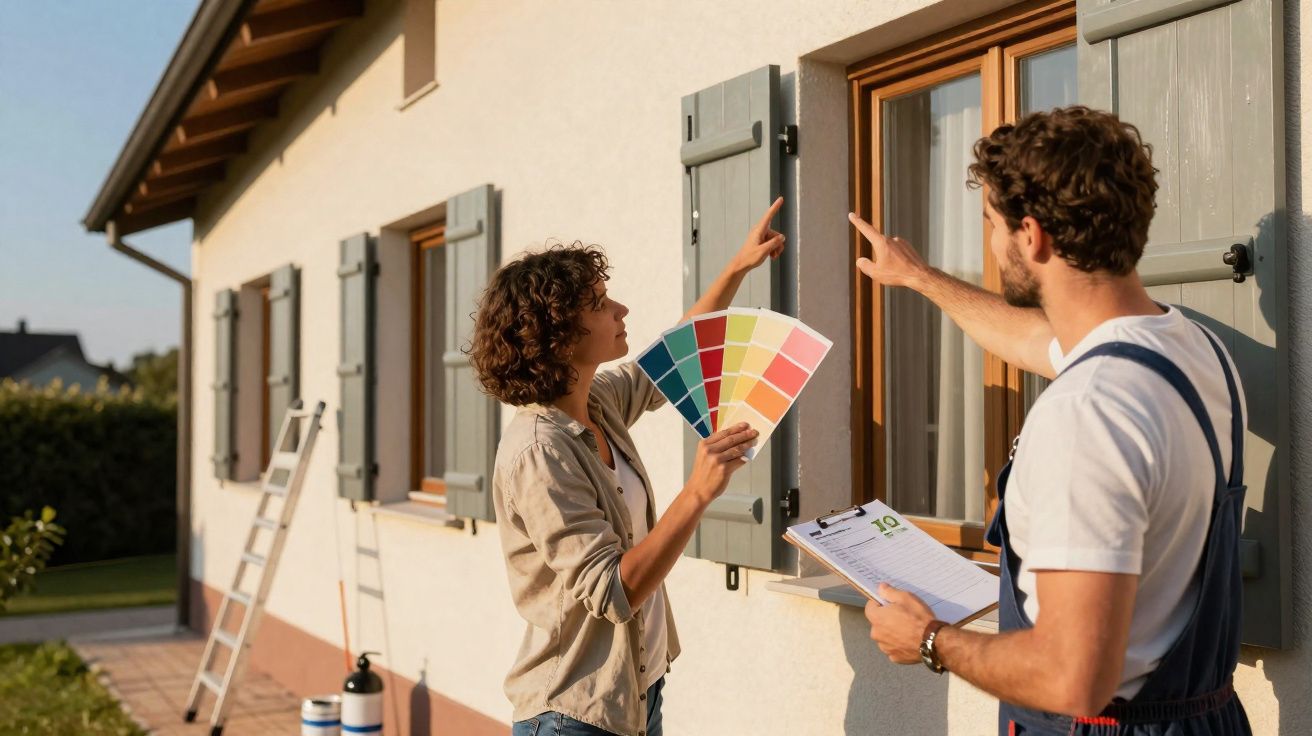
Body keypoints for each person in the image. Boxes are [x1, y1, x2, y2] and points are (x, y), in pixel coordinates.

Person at [853, 106, 1251, 735]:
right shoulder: (1194, 351)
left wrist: (929, 640)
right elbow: (1035, 338)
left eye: (991, 224)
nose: (989, 243)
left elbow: (1074, 677)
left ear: (1032, 235)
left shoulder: (1087, 413)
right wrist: (921, 279)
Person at [470, 199, 786, 736]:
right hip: (574, 715)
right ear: (560, 335)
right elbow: (614, 592)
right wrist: (699, 493)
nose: (621, 309)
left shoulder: (597, 403)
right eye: (599, 304)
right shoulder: (539, 452)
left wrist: (737, 267)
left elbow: (675, 353)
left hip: (636, 691)